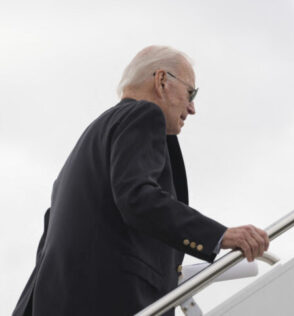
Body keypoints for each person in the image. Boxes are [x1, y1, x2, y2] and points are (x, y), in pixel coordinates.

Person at [12, 45, 270, 316]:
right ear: (161, 81)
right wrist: (219, 236)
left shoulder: (87, 145)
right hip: (113, 302)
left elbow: (50, 236)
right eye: (190, 93)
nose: (192, 108)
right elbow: (138, 199)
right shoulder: (143, 115)